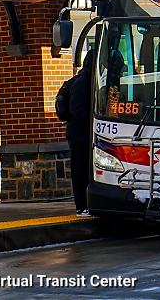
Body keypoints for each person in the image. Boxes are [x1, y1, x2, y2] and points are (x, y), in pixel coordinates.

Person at [67, 49, 94, 217]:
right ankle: (81, 205)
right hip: (79, 134)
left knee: (86, 170)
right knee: (80, 170)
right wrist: (93, 121)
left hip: (84, 133)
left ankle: (86, 204)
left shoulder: (89, 80)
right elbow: (75, 109)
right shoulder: (83, 82)